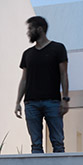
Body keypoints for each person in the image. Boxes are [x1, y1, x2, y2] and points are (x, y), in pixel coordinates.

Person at [14, 15, 69, 153]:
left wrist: (65, 99)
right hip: (31, 103)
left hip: (53, 102)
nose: (28, 32)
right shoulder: (27, 54)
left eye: (30, 29)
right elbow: (24, 79)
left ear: (40, 29)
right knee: (36, 145)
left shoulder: (58, 48)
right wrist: (18, 102)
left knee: (58, 142)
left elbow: (64, 74)